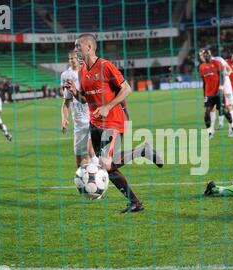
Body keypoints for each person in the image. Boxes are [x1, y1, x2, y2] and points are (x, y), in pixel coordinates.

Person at [66, 33, 163, 214]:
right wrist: (75, 93)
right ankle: (135, 201)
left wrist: (108, 106)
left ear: (89, 47)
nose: (76, 50)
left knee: (105, 163)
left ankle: (141, 157)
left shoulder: (105, 66)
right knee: (107, 168)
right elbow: (86, 99)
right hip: (94, 125)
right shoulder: (81, 71)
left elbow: (127, 89)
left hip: (113, 122)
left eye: (78, 46)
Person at [60, 50, 96, 168]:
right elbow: (66, 102)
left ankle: (98, 178)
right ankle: (84, 183)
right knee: (80, 159)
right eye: (71, 58)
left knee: (91, 153)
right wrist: (64, 119)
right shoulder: (66, 75)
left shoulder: (88, 71)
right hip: (79, 122)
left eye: (75, 58)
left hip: (93, 118)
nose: (73, 60)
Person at [198, 49, 224, 140]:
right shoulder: (201, 67)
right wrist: (204, 94)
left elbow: (222, 75)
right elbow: (204, 82)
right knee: (207, 112)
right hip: (208, 93)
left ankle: (228, 124)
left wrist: (221, 87)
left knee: (223, 109)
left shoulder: (217, 62)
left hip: (219, 91)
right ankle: (210, 132)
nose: (204, 56)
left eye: (205, 54)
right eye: (202, 54)